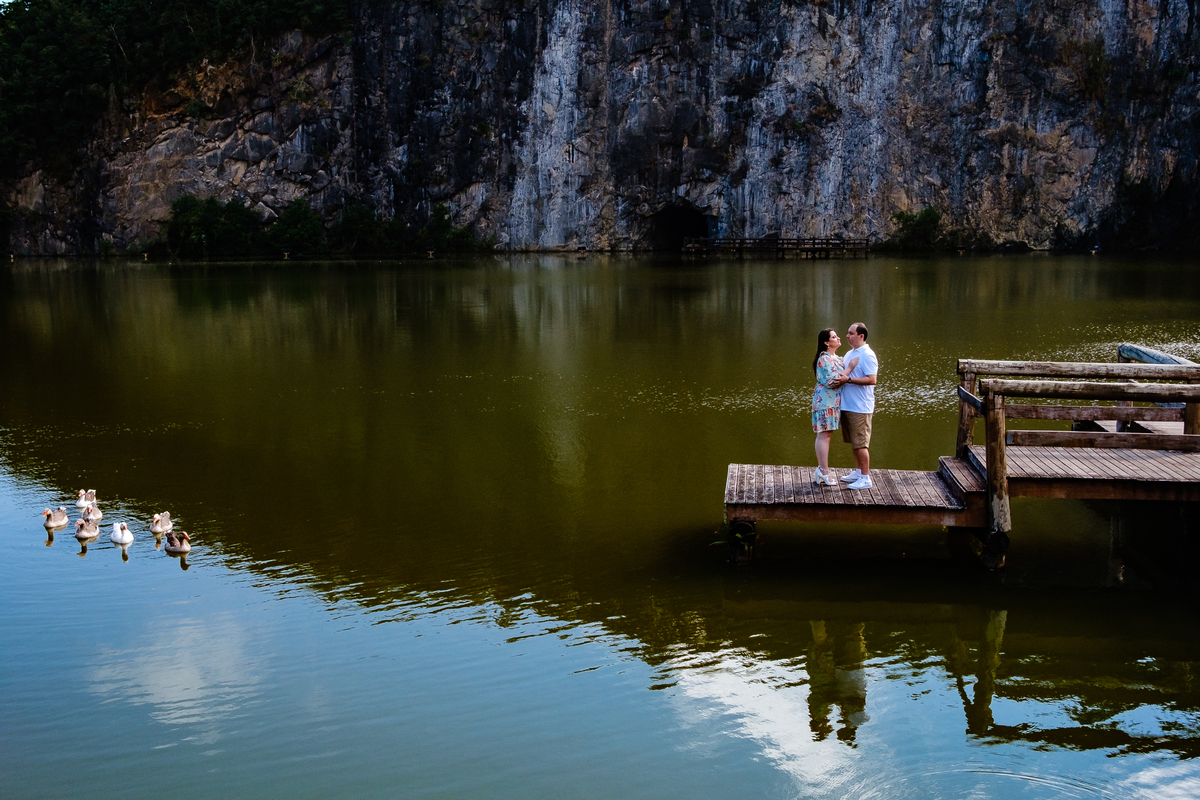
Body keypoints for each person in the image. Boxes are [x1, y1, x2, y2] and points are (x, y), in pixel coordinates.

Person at [831, 322, 878, 490]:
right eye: (847, 333)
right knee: (854, 443)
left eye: (850, 333)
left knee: (861, 444)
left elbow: (872, 380)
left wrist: (848, 380)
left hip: (860, 407)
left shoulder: (867, 355)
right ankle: (858, 472)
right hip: (848, 405)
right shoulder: (850, 354)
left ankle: (865, 478)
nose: (847, 336)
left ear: (861, 336)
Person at [811, 329, 859, 486]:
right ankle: (823, 471)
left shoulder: (836, 358)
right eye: (834, 337)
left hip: (833, 402)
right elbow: (832, 382)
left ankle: (821, 471)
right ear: (826, 342)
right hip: (825, 402)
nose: (838, 338)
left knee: (826, 435)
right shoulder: (824, 359)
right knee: (824, 435)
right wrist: (850, 368)